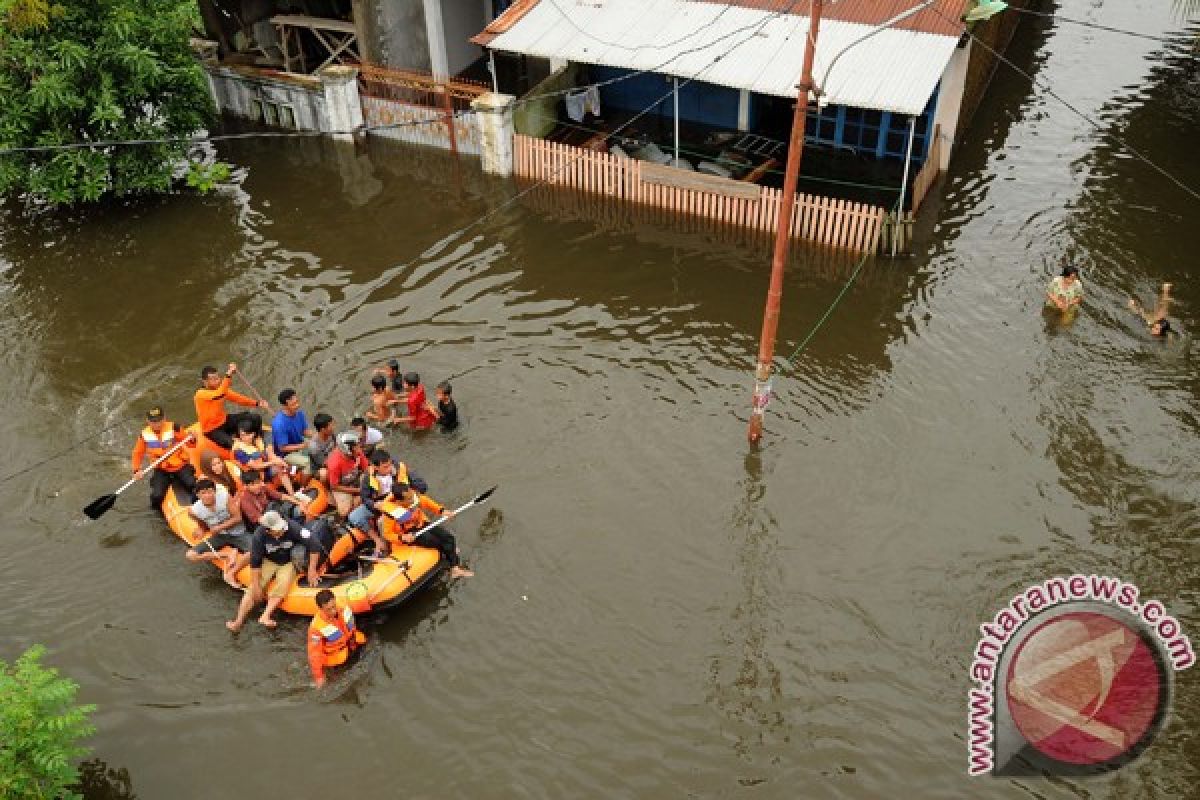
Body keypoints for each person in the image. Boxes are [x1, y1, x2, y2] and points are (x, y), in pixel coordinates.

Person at [225, 510, 322, 632]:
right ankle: (238, 621)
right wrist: (256, 586)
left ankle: (265, 615)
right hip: (269, 560)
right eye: (277, 530)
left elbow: (314, 544)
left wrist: (312, 570)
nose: (281, 531)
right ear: (267, 530)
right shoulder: (258, 536)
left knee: (283, 584)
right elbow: (255, 563)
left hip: (288, 561)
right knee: (254, 589)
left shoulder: (292, 527)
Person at [390, 482, 473, 578]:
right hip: (409, 534)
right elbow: (387, 534)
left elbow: (427, 502)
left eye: (412, 496)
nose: (412, 500)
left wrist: (442, 511)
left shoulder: (413, 498)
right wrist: (402, 537)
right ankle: (452, 560)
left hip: (421, 524)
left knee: (448, 537)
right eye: (409, 499)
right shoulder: (391, 513)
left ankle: (454, 568)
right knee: (436, 541)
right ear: (399, 501)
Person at [185, 478, 250, 587]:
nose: (207, 495)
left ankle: (231, 573)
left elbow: (238, 517)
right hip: (220, 537)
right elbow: (201, 521)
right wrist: (201, 528)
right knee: (191, 555)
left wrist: (220, 527)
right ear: (198, 495)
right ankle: (226, 555)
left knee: (256, 551)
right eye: (203, 493)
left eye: (210, 492)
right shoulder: (194, 510)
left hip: (238, 533)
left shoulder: (224, 497)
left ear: (214, 491)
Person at [130, 407, 197, 511]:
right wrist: (136, 470)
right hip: (161, 469)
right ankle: (157, 513)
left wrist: (193, 439)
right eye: (153, 421)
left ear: (164, 418)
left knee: (193, 485)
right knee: (157, 496)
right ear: (148, 421)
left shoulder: (175, 427)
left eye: (159, 420)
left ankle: (197, 508)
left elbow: (190, 444)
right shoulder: (144, 435)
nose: (157, 424)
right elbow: (137, 453)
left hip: (180, 466)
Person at [194, 363, 268, 450]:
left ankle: (256, 439)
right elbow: (219, 394)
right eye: (214, 379)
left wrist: (257, 403)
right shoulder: (201, 394)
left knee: (255, 417)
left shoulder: (220, 389)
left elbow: (238, 399)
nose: (218, 381)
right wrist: (228, 374)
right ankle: (242, 446)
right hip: (212, 430)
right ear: (205, 381)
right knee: (234, 445)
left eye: (218, 378)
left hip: (224, 420)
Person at [307, 588, 370, 689]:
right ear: (321, 609)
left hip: (354, 643)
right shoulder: (316, 628)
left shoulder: (344, 605)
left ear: (335, 600)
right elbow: (314, 654)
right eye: (328, 609)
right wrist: (319, 677)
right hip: (338, 658)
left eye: (334, 606)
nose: (333, 611)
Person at [347, 450, 401, 557]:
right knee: (354, 516)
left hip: (397, 502)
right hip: (379, 504)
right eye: (385, 467)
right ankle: (377, 540)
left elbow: (413, 481)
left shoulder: (398, 469)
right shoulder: (368, 478)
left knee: (382, 522)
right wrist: (373, 504)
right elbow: (365, 497)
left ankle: (389, 545)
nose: (389, 468)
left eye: (390, 465)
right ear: (376, 467)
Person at [231, 418, 299, 497]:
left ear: (253, 433)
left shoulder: (257, 440)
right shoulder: (238, 451)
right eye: (242, 435)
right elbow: (255, 466)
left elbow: (268, 453)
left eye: (248, 434)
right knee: (279, 467)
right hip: (255, 474)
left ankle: (294, 484)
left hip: (266, 466)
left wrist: (277, 460)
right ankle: (293, 495)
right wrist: (274, 462)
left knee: (284, 464)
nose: (245, 437)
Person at [236, 469, 308, 531]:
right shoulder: (245, 500)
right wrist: (283, 524)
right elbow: (260, 520)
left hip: (274, 513)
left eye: (259, 482)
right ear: (246, 486)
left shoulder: (262, 487)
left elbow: (282, 496)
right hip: (264, 524)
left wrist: (299, 503)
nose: (259, 485)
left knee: (293, 507)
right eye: (254, 484)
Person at [324, 431, 369, 518]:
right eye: (356, 446)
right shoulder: (335, 463)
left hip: (354, 478)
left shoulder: (357, 452)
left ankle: (357, 500)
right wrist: (358, 490)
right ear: (348, 450)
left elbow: (366, 468)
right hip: (341, 486)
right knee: (344, 512)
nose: (360, 449)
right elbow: (334, 486)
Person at [271, 388, 314, 475]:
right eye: (294, 404)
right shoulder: (279, 424)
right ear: (285, 406)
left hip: (299, 445)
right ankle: (303, 487)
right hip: (286, 454)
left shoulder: (299, 413)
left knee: (319, 449)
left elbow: (304, 431)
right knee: (308, 463)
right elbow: (282, 448)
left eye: (297, 402)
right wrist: (304, 445)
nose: (297, 405)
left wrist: (317, 436)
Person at [307, 413, 337, 483]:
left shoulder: (331, 435)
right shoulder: (314, 446)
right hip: (320, 469)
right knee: (324, 473)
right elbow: (324, 464)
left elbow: (337, 447)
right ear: (323, 429)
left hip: (333, 460)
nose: (333, 427)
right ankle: (324, 489)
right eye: (331, 426)